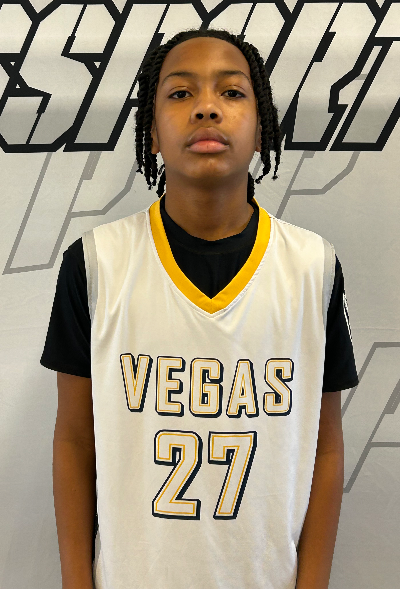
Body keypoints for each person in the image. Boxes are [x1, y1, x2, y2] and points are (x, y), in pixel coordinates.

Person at [41, 28, 359, 589]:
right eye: (180, 93)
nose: (207, 108)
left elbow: (325, 446)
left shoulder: (314, 266)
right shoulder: (95, 263)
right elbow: (73, 439)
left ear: (260, 129)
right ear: (152, 133)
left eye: (232, 92)